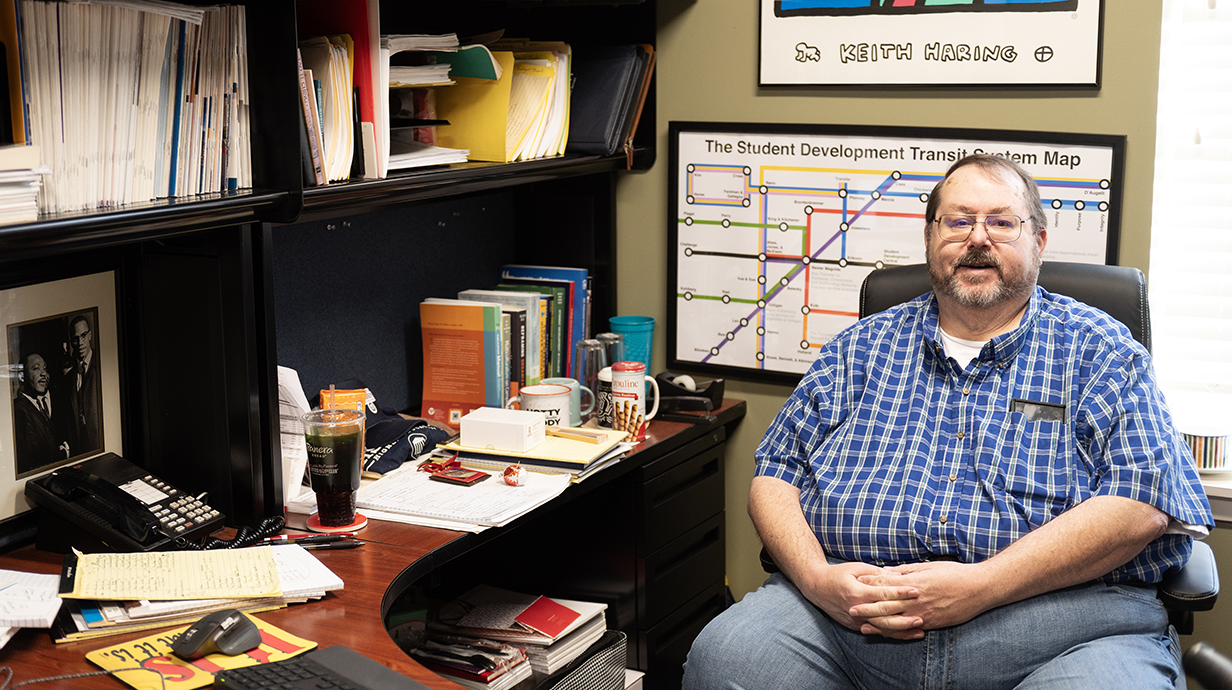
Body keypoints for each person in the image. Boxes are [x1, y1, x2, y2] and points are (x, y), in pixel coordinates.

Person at [683, 154, 1214, 690]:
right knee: (729, 661)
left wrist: (981, 585)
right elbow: (776, 473)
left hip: (1062, 631)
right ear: (930, 238)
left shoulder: (1100, 350)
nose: (977, 238)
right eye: (958, 221)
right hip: (844, 626)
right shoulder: (858, 349)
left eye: (1002, 222)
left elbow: (1140, 504)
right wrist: (818, 580)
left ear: (1040, 243)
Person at [13, 352, 70, 474]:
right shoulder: (19, 410)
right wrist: (63, 454)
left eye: (44, 368)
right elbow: (32, 462)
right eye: (36, 368)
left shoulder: (48, 400)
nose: (44, 373)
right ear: (22, 377)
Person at [61, 313, 101, 455]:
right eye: (76, 339)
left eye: (83, 335)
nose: (81, 343)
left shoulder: (101, 364)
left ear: (90, 335)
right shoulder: (69, 378)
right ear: (71, 342)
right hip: (79, 447)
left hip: (100, 442)